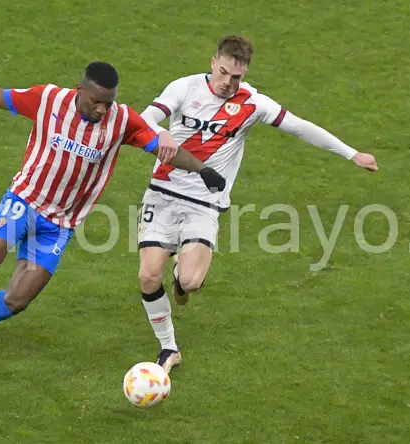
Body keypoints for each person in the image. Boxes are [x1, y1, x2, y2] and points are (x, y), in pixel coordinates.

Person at [0, 36, 226, 361]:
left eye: (109, 103)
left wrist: (203, 170)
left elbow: (164, 149)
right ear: (79, 90)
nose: (102, 110)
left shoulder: (121, 121)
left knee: (16, 301)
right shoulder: (48, 99)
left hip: (60, 225)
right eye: (97, 102)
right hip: (23, 202)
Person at [136, 35, 379, 372]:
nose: (227, 83)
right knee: (149, 276)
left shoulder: (253, 104)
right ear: (213, 63)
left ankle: (181, 274)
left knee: (189, 283)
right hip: (162, 193)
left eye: (236, 77)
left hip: (204, 203)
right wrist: (159, 133)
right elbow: (142, 119)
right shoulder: (185, 88)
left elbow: (300, 127)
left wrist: (352, 153)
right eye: (223, 73)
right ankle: (169, 349)